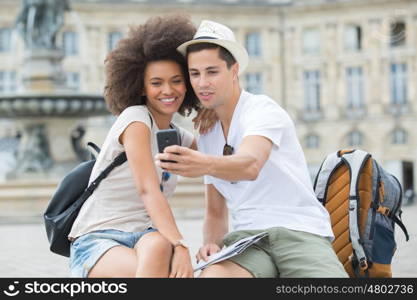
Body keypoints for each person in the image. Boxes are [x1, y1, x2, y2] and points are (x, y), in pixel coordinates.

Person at [155, 20, 348, 278]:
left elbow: (250, 164)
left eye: (212, 72)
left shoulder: (262, 110)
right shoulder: (207, 131)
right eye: (195, 73)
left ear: (234, 70)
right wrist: (211, 244)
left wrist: (202, 163)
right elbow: (215, 211)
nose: (202, 83)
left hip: (299, 231)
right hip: (248, 240)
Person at [68, 15, 206, 278]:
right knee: (168, 266)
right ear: (141, 87)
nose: (168, 90)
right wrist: (182, 244)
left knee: (160, 244)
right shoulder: (135, 119)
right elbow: (147, 189)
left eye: (176, 80)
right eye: (156, 83)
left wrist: (214, 110)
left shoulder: (178, 135)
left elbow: (218, 158)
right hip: (99, 240)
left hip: (146, 238)